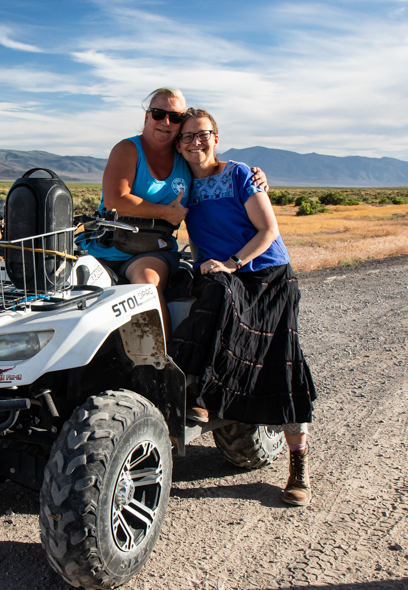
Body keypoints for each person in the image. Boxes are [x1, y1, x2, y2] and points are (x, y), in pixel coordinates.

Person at [166, 108, 318, 507]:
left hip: (266, 275)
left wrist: (232, 263)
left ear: (216, 138)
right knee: (210, 294)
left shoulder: (239, 174)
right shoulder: (183, 185)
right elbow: (197, 237)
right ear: (178, 145)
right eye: (187, 137)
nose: (195, 142)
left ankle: (298, 466)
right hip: (222, 275)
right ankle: (197, 394)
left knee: (280, 366)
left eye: (203, 134)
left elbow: (269, 230)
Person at [86, 88, 267, 337]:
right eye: (159, 113)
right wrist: (165, 213)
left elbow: (213, 168)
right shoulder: (128, 149)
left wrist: (252, 174)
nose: (166, 122)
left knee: (145, 282)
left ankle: (161, 362)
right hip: (107, 247)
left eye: (176, 117)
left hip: (152, 249)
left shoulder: (184, 155)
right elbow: (115, 201)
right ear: (147, 116)